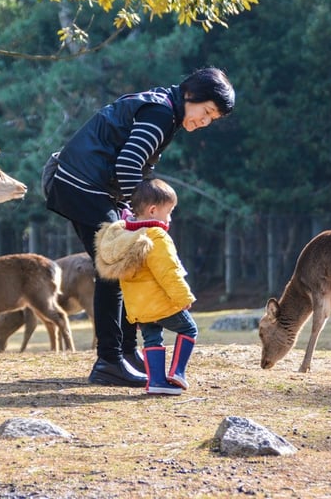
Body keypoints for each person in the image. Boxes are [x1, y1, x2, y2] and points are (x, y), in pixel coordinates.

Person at [45, 67, 234, 387]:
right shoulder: (161, 112)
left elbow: (130, 165)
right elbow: (129, 164)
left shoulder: (165, 109)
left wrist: (127, 214)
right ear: (191, 96)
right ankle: (109, 360)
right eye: (206, 112)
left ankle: (126, 353)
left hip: (82, 183)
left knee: (122, 266)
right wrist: (136, 218)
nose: (204, 122)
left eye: (211, 119)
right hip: (80, 184)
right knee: (116, 264)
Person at [94, 178, 198, 395]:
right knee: (189, 329)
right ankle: (178, 372)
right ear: (153, 210)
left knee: (152, 338)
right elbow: (168, 272)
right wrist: (183, 297)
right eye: (168, 212)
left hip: (139, 309)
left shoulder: (125, 238)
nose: (170, 218)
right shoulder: (156, 236)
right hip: (161, 303)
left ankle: (157, 382)